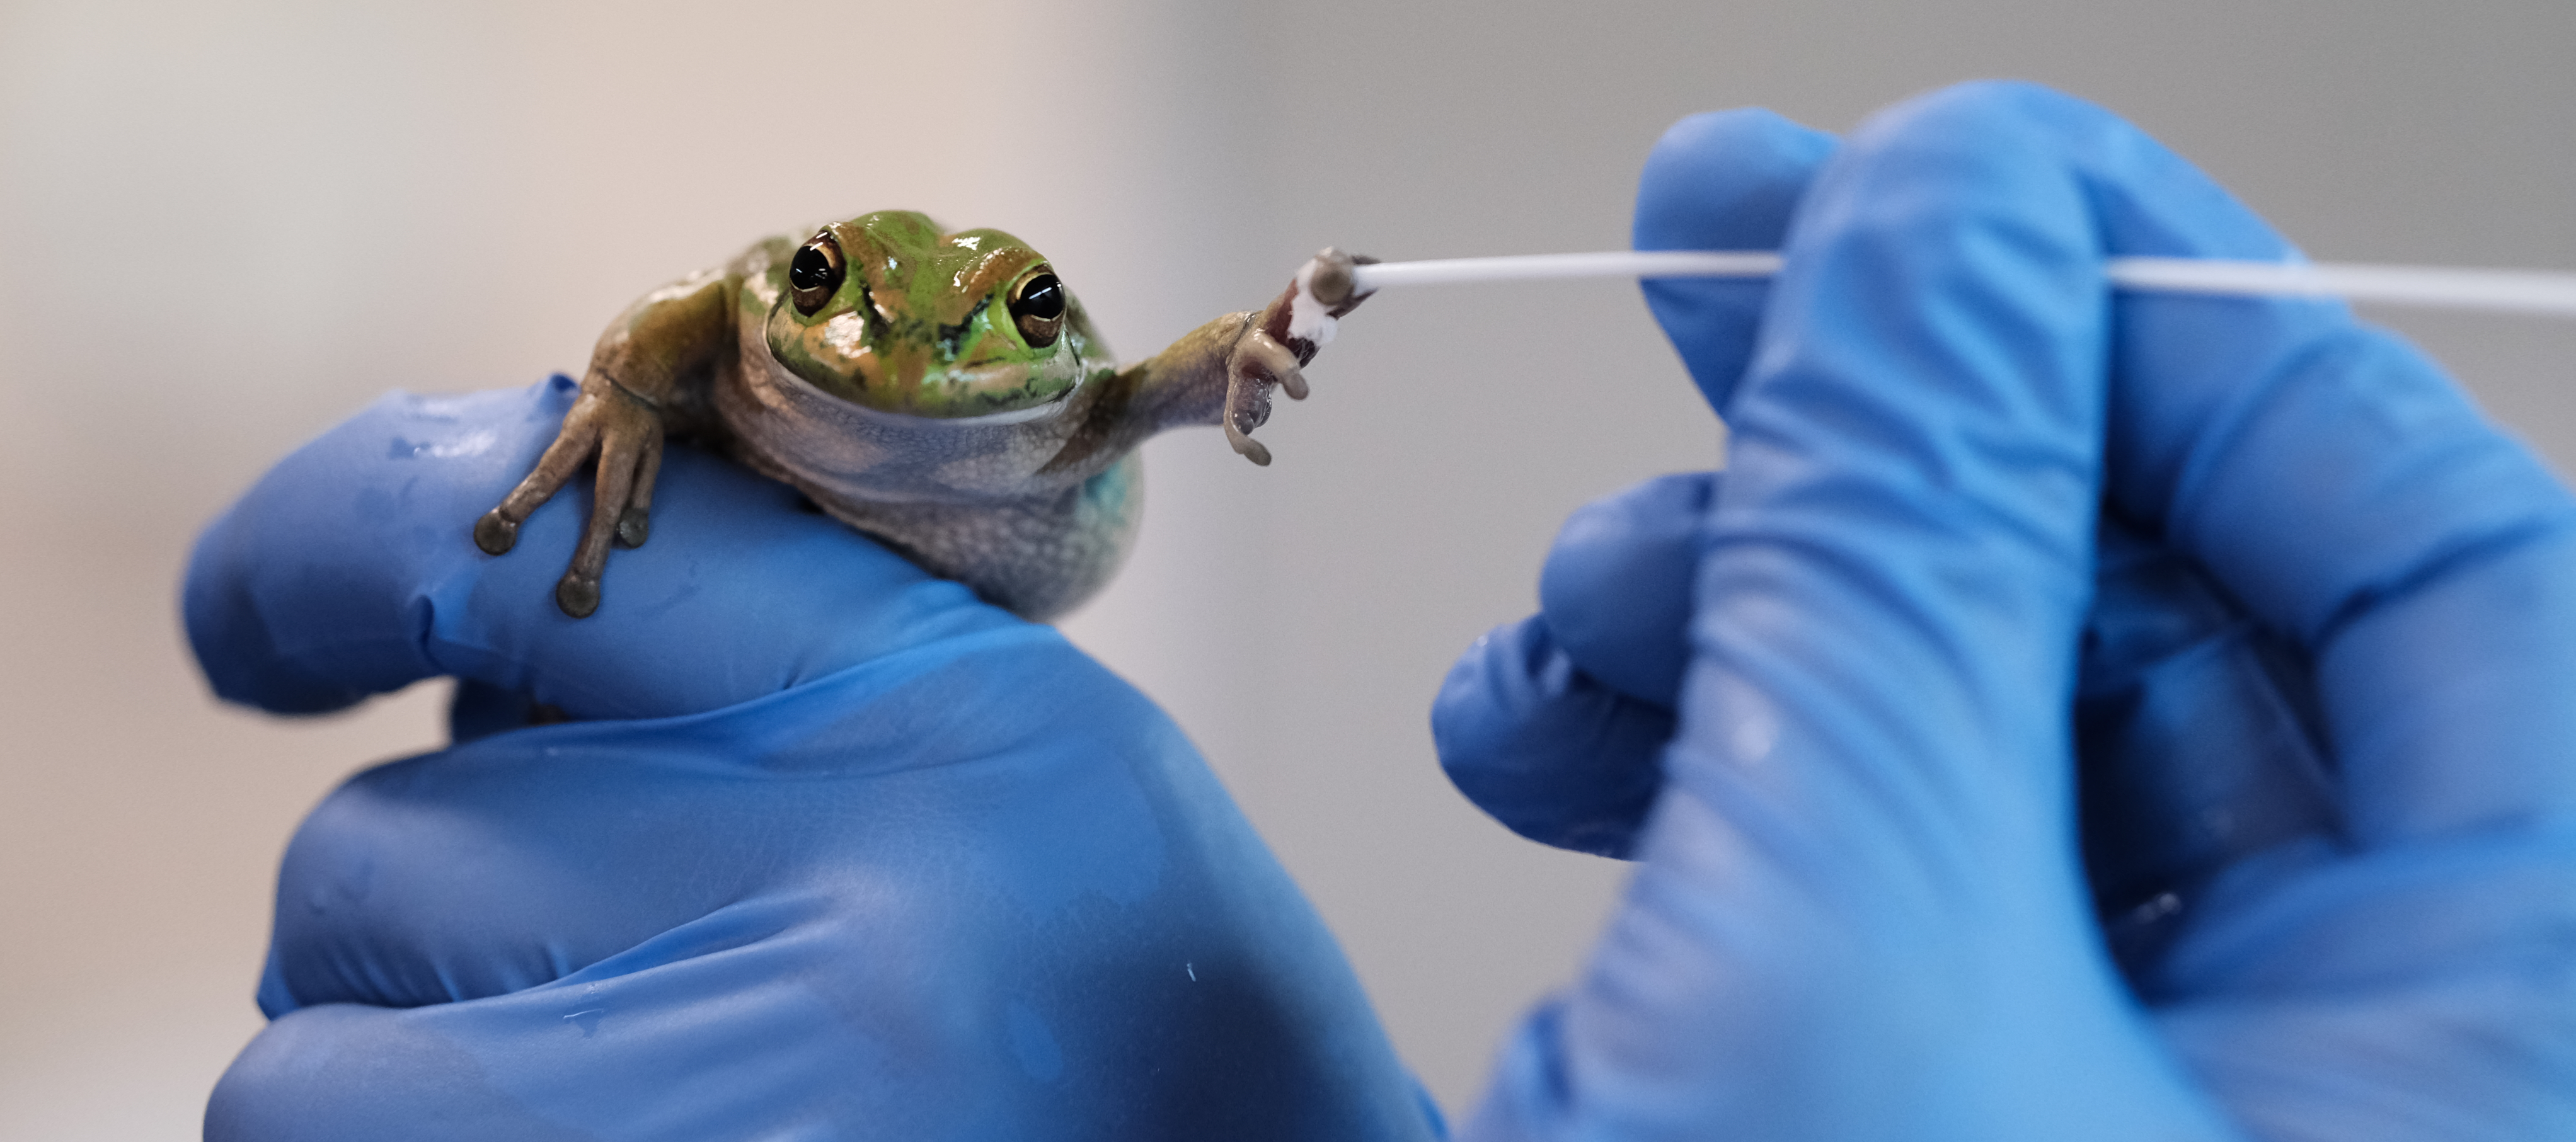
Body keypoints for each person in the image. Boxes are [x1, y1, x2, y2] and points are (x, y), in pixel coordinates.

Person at [188, 82, 2576, 1139]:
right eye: (828, 296)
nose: (898, 337)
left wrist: (1255, 347)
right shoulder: (738, 331)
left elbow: (1139, 381)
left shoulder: (1060, 391)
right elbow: (686, 318)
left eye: (982, 313)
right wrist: (628, 402)